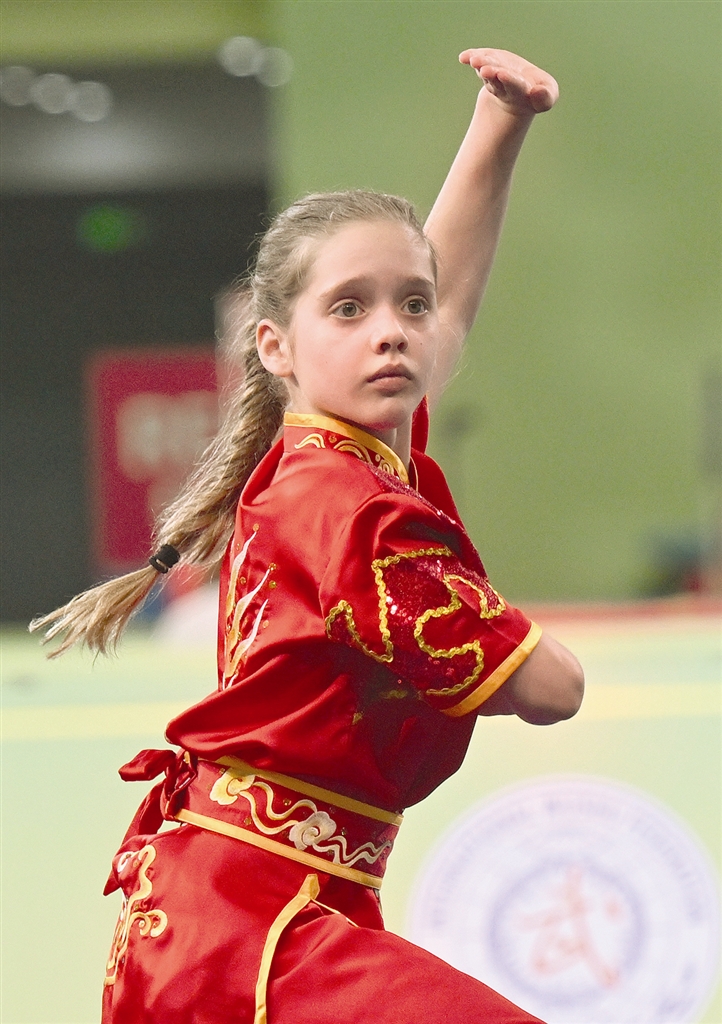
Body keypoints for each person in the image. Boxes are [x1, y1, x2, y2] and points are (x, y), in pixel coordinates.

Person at [32, 48, 584, 1024]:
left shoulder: (340, 461)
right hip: (249, 938)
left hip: (262, 909)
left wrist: (500, 119)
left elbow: (448, 296)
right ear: (274, 346)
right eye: (349, 307)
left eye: (408, 305)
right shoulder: (349, 506)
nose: (392, 330)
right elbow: (552, 689)